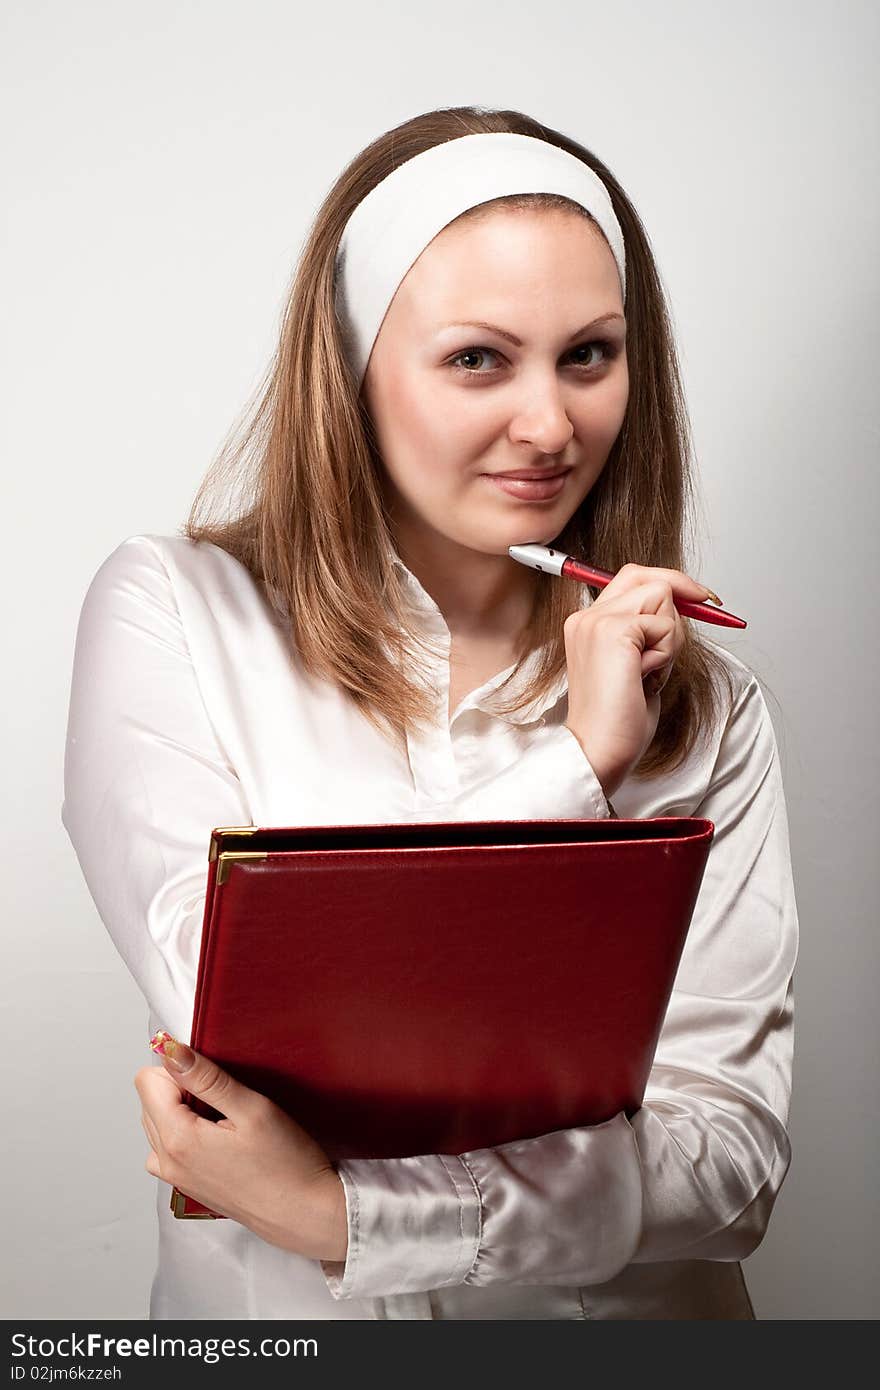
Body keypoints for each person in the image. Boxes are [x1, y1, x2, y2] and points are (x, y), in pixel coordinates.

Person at [61, 106, 798, 1321]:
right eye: (476, 359)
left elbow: (730, 1169)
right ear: (350, 364)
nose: (552, 427)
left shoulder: (708, 711)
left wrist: (341, 1216)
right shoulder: (178, 614)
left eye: (590, 355)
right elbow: (230, 992)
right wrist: (575, 768)